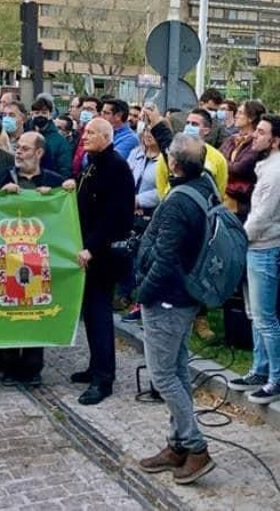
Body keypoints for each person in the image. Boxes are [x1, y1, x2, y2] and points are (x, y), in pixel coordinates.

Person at [132, 135, 218, 484]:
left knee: (163, 375)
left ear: (174, 164)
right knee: (178, 369)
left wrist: (143, 293)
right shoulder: (204, 184)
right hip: (186, 296)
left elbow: (165, 259)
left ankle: (196, 448)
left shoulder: (178, 202)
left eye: (168, 156)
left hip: (168, 297)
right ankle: (177, 445)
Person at [0, 131, 73, 387]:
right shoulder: (3, 177)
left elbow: (65, 213)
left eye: (25, 148)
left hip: (39, 260)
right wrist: (0, 194)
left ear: (39, 153)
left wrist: (63, 192)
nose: (19, 152)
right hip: (7, 257)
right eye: (18, 147)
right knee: (11, 309)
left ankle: (33, 367)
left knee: (36, 310)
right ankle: (9, 365)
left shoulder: (52, 180)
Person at [72, 115, 135, 406]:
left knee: (99, 315)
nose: (84, 136)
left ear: (106, 137)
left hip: (104, 255)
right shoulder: (94, 164)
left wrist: (92, 248)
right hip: (90, 250)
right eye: (84, 132)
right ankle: (95, 365)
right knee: (90, 314)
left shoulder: (116, 167)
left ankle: (103, 379)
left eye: (90, 132)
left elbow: (115, 217)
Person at [234, 114, 280, 403]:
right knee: (254, 314)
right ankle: (259, 369)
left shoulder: (275, 173)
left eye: (262, 133)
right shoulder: (266, 167)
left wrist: (238, 239)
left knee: (265, 317)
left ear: (275, 141)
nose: (255, 136)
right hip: (256, 246)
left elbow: (261, 216)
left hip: (264, 247)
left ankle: (276, 377)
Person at [154, 109, 230, 207]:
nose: (189, 127)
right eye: (187, 123)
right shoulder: (171, 152)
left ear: (206, 130)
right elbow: (161, 183)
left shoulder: (218, 159)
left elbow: (219, 190)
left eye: (194, 124)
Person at [221, 100, 267, 217]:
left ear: (251, 118)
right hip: (223, 200)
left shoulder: (257, 143)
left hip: (242, 203)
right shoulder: (231, 140)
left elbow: (240, 168)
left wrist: (222, 164)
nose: (236, 115)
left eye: (240, 113)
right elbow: (215, 158)